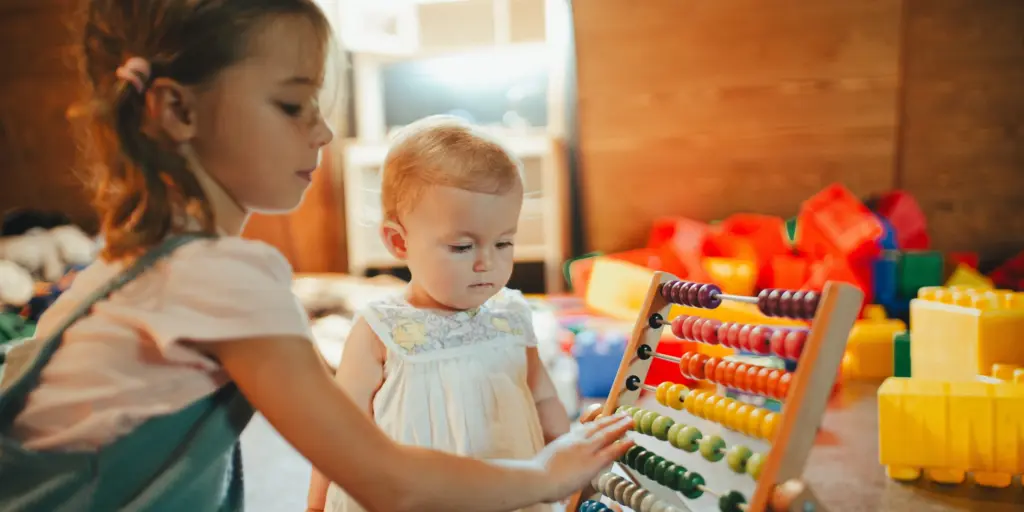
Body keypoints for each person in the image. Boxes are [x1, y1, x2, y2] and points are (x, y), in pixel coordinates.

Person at [0, 1, 634, 511]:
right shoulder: (218, 276)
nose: (324, 131)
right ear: (177, 110)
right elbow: (389, 482)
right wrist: (547, 475)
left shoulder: (147, 257)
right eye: (291, 105)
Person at [307, 116, 570, 512]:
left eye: (504, 243)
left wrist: (567, 458)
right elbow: (338, 434)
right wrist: (315, 506)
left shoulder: (513, 315)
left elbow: (544, 396)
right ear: (399, 241)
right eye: (463, 247)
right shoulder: (380, 329)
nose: (487, 263)